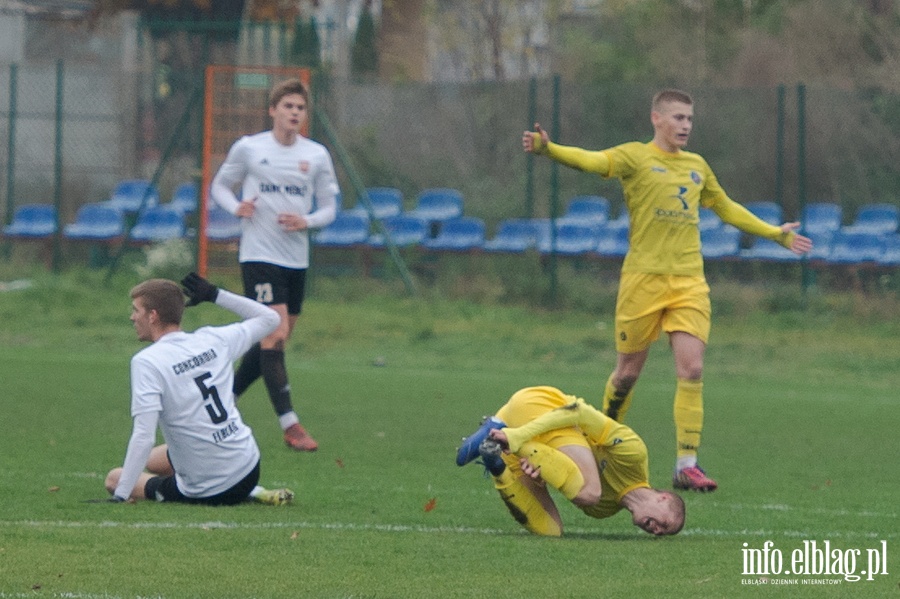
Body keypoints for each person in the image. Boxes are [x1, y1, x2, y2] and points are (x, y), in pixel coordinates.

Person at [522, 89, 813, 491]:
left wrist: (773, 234)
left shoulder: (697, 166)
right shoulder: (634, 157)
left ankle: (686, 464)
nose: (686, 126)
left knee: (692, 368)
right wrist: (549, 149)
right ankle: (602, 442)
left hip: (689, 282)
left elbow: (725, 206)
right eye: (678, 118)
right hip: (642, 280)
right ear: (656, 118)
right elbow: (592, 161)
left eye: (690, 119)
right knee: (626, 374)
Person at [211, 78, 340, 452]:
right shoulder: (250, 148)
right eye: (288, 106)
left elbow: (329, 207)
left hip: (295, 259)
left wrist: (307, 221)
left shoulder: (316, 155)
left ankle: (222, 399)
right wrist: (237, 208)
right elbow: (220, 186)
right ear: (273, 110)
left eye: (300, 108)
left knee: (274, 340)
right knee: (274, 334)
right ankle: (290, 424)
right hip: (259, 255)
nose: (295, 113)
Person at [104, 273, 293, 506]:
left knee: (114, 478)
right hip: (248, 466)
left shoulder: (148, 361)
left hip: (210, 490)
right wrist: (215, 294)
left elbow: (143, 436)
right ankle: (254, 490)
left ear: (153, 316)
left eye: (136, 310)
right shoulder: (213, 339)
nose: (132, 317)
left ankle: (244, 492)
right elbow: (270, 318)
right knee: (153, 461)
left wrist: (121, 494)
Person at [456, 386, 685, 537]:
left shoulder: (602, 511)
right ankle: (503, 432)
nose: (656, 532)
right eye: (664, 525)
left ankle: (493, 459)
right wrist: (518, 436)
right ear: (663, 498)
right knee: (589, 491)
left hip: (531, 442)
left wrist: (538, 477)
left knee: (550, 530)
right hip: (539, 406)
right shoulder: (634, 455)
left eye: (661, 534)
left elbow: (558, 466)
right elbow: (577, 411)